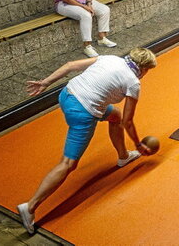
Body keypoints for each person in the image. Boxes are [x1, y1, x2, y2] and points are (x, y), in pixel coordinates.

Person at [16, 47, 158, 234]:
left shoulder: (111, 58)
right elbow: (128, 121)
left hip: (66, 95)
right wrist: (138, 144)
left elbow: (70, 65)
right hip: (82, 112)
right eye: (148, 70)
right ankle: (30, 207)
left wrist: (46, 82)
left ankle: (123, 156)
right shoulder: (133, 82)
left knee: (114, 115)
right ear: (143, 68)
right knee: (68, 163)